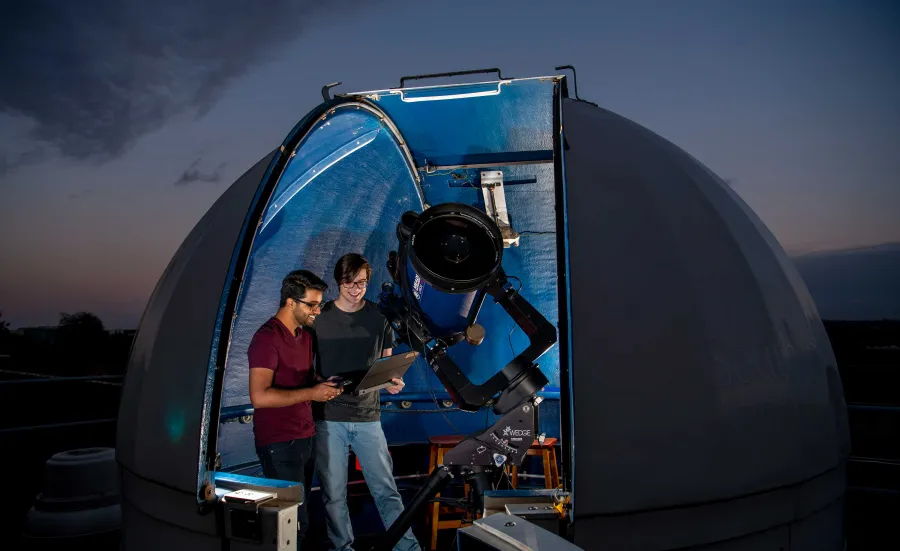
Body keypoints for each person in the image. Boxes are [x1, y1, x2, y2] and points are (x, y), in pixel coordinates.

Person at [312, 253, 421, 551]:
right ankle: (342, 547)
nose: (355, 288)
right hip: (328, 418)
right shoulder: (318, 319)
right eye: (349, 282)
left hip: (368, 417)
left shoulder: (379, 318)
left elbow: (385, 368)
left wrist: (393, 382)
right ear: (339, 281)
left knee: (386, 491)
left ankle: (407, 548)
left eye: (361, 282)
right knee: (333, 494)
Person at [248, 269, 344, 548]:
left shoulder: (304, 336)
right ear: (291, 302)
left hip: (306, 437)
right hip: (279, 443)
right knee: (290, 527)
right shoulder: (266, 338)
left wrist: (323, 383)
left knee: (302, 520)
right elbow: (259, 397)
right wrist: (313, 393)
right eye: (312, 305)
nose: (317, 311)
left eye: (319, 304)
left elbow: (305, 375)